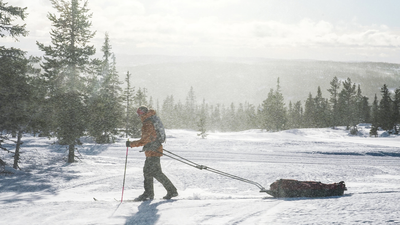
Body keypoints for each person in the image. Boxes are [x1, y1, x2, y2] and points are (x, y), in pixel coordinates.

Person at [126, 106, 178, 201]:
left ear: (142, 113)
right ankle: (166, 191)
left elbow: (145, 139)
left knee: (151, 172)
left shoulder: (148, 123)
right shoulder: (150, 120)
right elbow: (149, 138)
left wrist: (131, 144)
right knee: (152, 172)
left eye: (139, 114)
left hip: (153, 150)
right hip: (153, 150)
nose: (138, 116)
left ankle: (152, 193)